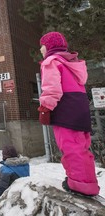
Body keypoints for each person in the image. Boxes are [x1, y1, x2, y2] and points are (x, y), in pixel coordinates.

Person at [38, 31, 99, 196]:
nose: (41, 50)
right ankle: (87, 182)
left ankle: (79, 184)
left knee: (70, 146)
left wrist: (45, 108)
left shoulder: (51, 61)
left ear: (49, 46)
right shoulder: (73, 63)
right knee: (81, 146)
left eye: (42, 46)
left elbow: (52, 88)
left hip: (65, 108)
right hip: (80, 108)